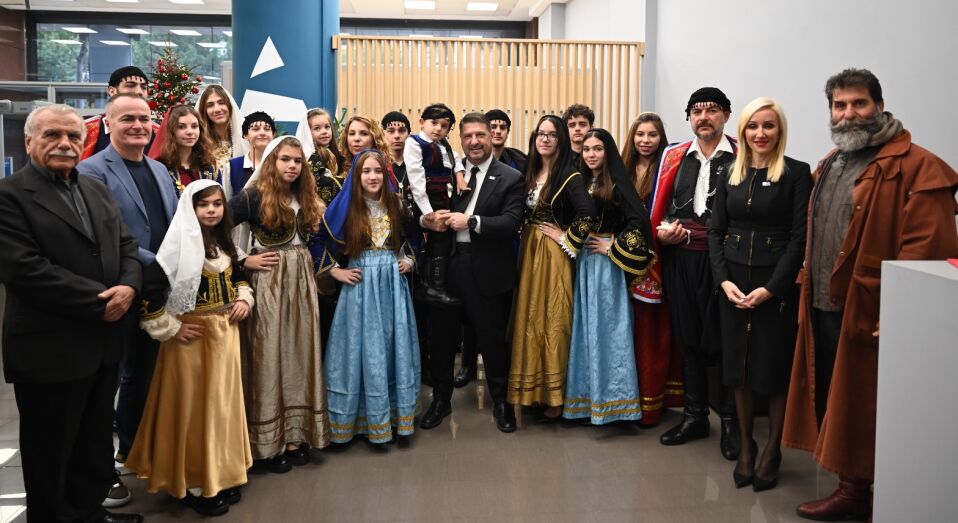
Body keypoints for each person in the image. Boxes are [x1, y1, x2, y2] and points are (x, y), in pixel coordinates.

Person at [783, 68, 958, 521]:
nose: (848, 114)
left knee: (869, 403)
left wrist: (901, 308)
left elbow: (928, 247)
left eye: (858, 103)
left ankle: (864, 491)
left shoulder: (918, 166)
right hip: (825, 304)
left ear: (879, 105)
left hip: (874, 310)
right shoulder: (832, 162)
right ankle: (855, 489)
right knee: (840, 397)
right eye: (839, 105)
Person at [0, 104, 143, 522]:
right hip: (50, 348)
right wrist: (105, 302)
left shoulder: (95, 189)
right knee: (51, 452)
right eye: (52, 135)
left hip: (103, 346)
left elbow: (127, 246)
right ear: (29, 141)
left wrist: (130, 287)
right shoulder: (9, 196)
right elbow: (24, 270)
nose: (64, 143)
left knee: (92, 444)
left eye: (73, 136)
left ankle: (89, 512)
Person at [126, 180, 253, 517]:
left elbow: (238, 275)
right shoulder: (177, 248)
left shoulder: (224, 241)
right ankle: (194, 482)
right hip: (192, 340)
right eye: (203, 205)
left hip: (225, 336)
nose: (211, 210)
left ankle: (222, 473)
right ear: (190, 209)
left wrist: (243, 298)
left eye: (217, 204)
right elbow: (150, 292)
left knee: (222, 406)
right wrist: (172, 327)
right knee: (194, 409)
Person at [77, 93, 179, 505]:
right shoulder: (91, 171)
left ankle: (137, 449)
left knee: (147, 371)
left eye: (144, 118)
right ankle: (106, 465)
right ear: (109, 124)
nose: (137, 125)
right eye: (127, 119)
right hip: (121, 286)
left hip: (159, 288)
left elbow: (175, 224)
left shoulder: (158, 169)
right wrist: (161, 262)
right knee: (113, 379)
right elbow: (106, 233)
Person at [707, 97, 811, 491]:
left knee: (774, 368)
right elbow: (715, 231)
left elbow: (799, 238)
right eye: (753, 126)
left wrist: (773, 288)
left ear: (780, 130)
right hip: (733, 282)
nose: (760, 133)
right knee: (739, 368)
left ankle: (772, 450)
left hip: (775, 285)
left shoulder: (797, 173)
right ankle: (747, 447)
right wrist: (723, 281)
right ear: (743, 130)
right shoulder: (729, 172)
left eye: (768, 125)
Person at [418, 113, 525, 432]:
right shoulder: (446, 173)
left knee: (492, 340)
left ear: (491, 137)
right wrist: (429, 221)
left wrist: (473, 222)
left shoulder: (510, 177)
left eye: (480, 135)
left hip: (488, 269)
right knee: (442, 340)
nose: (474, 141)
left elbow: (511, 223)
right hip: (448, 268)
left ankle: (502, 403)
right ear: (460, 140)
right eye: (468, 136)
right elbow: (422, 209)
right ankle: (441, 401)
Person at [650, 87, 740, 460]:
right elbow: (662, 208)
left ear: (727, 115)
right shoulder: (673, 156)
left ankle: (732, 423)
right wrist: (663, 232)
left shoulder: (743, 155)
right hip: (681, 260)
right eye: (696, 111)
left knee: (726, 341)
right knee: (687, 338)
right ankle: (695, 416)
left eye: (712, 110)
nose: (703, 117)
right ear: (689, 117)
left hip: (726, 263)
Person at [230, 136, 329, 472]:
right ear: (271, 162)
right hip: (269, 281)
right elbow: (212, 228)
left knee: (298, 352)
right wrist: (244, 259)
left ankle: (295, 436)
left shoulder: (305, 195)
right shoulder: (253, 196)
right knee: (269, 354)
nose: (292, 166)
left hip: (301, 280)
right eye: (285, 159)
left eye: (297, 161)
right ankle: (266, 444)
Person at [311, 150, 421, 445]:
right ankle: (355, 420)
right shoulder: (346, 208)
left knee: (392, 345)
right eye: (366, 172)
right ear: (356, 176)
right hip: (359, 286)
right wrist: (335, 271)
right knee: (360, 348)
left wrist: (409, 261)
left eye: (378, 171)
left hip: (392, 286)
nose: (372, 177)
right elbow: (317, 239)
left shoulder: (397, 205)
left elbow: (414, 239)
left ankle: (395, 418)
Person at [507, 114, 596, 421]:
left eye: (551, 134)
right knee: (531, 319)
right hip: (530, 250)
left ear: (561, 140)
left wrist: (565, 237)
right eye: (540, 134)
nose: (544, 139)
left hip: (553, 253)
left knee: (554, 319)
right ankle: (533, 392)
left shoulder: (570, 175)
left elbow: (587, 213)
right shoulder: (530, 172)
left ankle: (556, 398)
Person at [563, 128, 654, 425]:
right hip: (583, 262)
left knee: (608, 328)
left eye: (598, 149)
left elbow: (639, 221)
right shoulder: (579, 181)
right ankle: (586, 401)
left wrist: (612, 246)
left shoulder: (616, 181)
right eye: (587, 149)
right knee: (584, 328)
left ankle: (616, 403)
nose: (591, 154)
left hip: (606, 265)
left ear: (608, 152)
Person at [621, 112, 683, 427]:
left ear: (661, 139)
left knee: (651, 331)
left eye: (652, 135)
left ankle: (652, 402)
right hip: (620, 259)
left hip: (656, 260)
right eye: (640, 134)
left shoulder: (669, 171)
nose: (645, 140)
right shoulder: (622, 169)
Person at [403, 104, 467, 306]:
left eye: (444, 125)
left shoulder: (444, 145)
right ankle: (433, 287)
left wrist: (460, 178)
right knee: (437, 240)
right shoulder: (414, 143)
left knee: (443, 241)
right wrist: (428, 212)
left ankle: (435, 284)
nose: (438, 128)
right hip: (428, 199)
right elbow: (416, 179)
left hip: (445, 197)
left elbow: (456, 160)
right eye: (434, 123)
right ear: (422, 122)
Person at [82, 66, 159, 159]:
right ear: (112, 91)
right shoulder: (84, 129)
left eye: (143, 87)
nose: (139, 92)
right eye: (130, 85)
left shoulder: (159, 133)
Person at [150, 105, 222, 195]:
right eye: (181, 127)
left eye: (194, 126)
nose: (190, 132)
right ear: (171, 131)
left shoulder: (209, 166)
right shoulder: (161, 169)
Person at [297, 107, 343, 205]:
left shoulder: (333, 152)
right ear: (307, 133)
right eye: (317, 128)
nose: (324, 131)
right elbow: (324, 186)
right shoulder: (310, 156)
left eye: (327, 127)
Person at [227, 111, 276, 197]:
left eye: (267, 129)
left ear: (273, 135)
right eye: (256, 129)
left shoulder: (281, 164)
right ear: (245, 135)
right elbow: (226, 199)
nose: (262, 133)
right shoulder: (232, 167)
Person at [196, 84, 246, 166]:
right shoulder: (199, 143)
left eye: (222, 103)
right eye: (210, 105)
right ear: (204, 111)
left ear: (230, 105)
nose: (217, 109)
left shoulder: (246, 140)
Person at [485, 108, 528, 174]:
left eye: (503, 127)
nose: (498, 131)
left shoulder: (520, 161)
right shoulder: (475, 158)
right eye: (493, 127)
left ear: (508, 132)